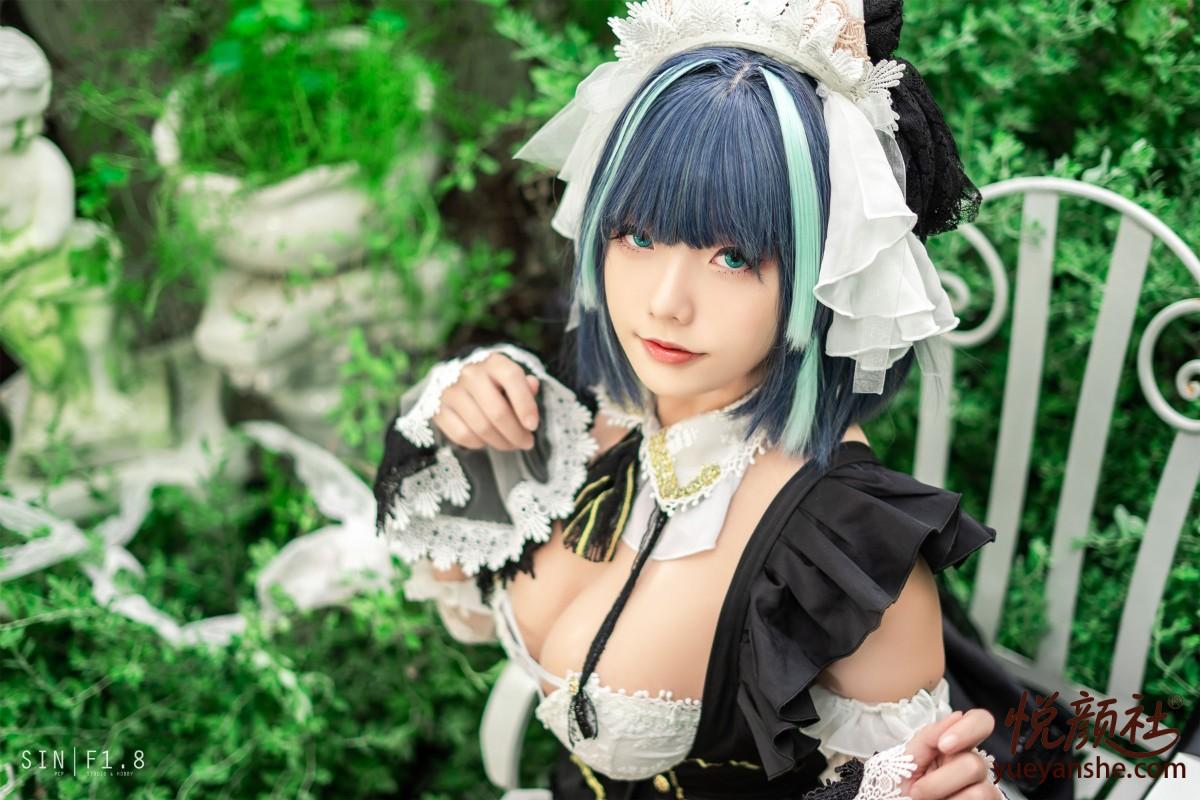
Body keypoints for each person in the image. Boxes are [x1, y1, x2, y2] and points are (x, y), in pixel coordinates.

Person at [374, 1, 1011, 797]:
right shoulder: (579, 412)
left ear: (827, 270)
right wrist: (459, 414)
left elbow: (904, 778)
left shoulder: (842, 546)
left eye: (733, 256)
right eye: (638, 236)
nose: (664, 304)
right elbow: (467, 607)